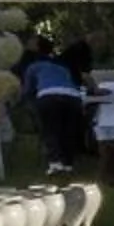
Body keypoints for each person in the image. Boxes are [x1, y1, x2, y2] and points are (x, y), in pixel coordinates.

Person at [19, 35, 88, 174]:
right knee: (69, 130)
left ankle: (55, 162)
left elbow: (28, 89)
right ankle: (68, 163)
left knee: (50, 128)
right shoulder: (62, 68)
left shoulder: (33, 67)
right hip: (72, 97)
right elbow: (74, 83)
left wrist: (25, 101)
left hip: (48, 96)